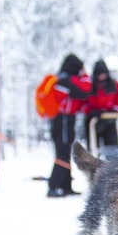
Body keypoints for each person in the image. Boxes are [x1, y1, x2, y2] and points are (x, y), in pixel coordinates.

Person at [46, 53, 91, 197]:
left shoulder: (62, 78)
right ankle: (53, 186)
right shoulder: (65, 80)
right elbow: (84, 92)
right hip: (63, 119)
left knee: (65, 150)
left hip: (63, 119)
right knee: (63, 151)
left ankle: (66, 186)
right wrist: (84, 75)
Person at [83, 59, 118, 153]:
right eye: (99, 74)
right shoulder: (90, 85)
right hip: (93, 120)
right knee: (93, 148)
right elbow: (83, 102)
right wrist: (91, 111)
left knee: (112, 149)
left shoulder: (114, 84)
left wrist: (115, 110)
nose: (102, 77)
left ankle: (113, 166)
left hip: (109, 120)